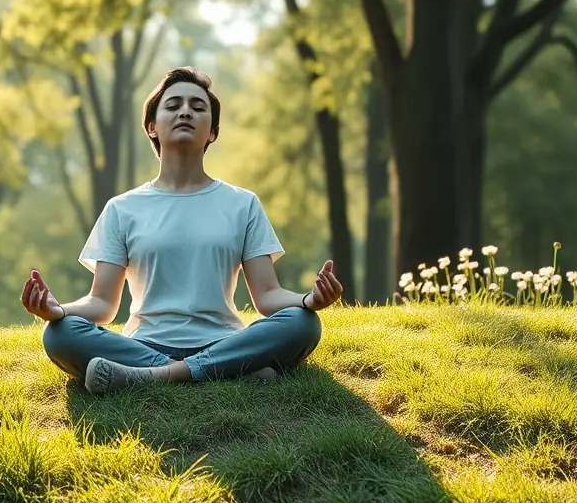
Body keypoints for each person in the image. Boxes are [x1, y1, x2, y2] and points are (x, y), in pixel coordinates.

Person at [21, 66, 344, 396]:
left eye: (197, 106)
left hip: (223, 340)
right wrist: (57, 311)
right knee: (59, 333)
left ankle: (153, 376)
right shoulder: (122, 208)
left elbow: (267, 296)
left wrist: (308, 300)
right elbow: (102, 304)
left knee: (302, 323)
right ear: (152, 127)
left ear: (213, 132)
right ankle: (222, 373)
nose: (185, 111)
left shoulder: (242, 204)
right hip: (145, 343)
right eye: (173, 105)